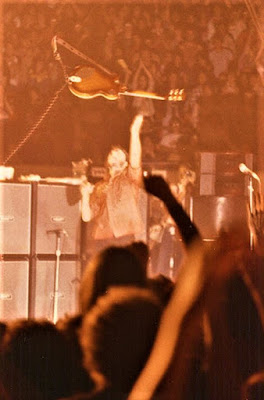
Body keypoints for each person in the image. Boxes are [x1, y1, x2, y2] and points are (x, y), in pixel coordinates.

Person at [80, 114, 146, 259]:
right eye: (112, 153)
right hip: (101, 239)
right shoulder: (100, 186)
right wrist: (85, 195)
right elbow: (86, 216)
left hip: (123, 236)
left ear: (126, 163)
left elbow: (135, 159)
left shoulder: (129, 178)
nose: (114, 153)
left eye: (119, 153)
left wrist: (134, 132)